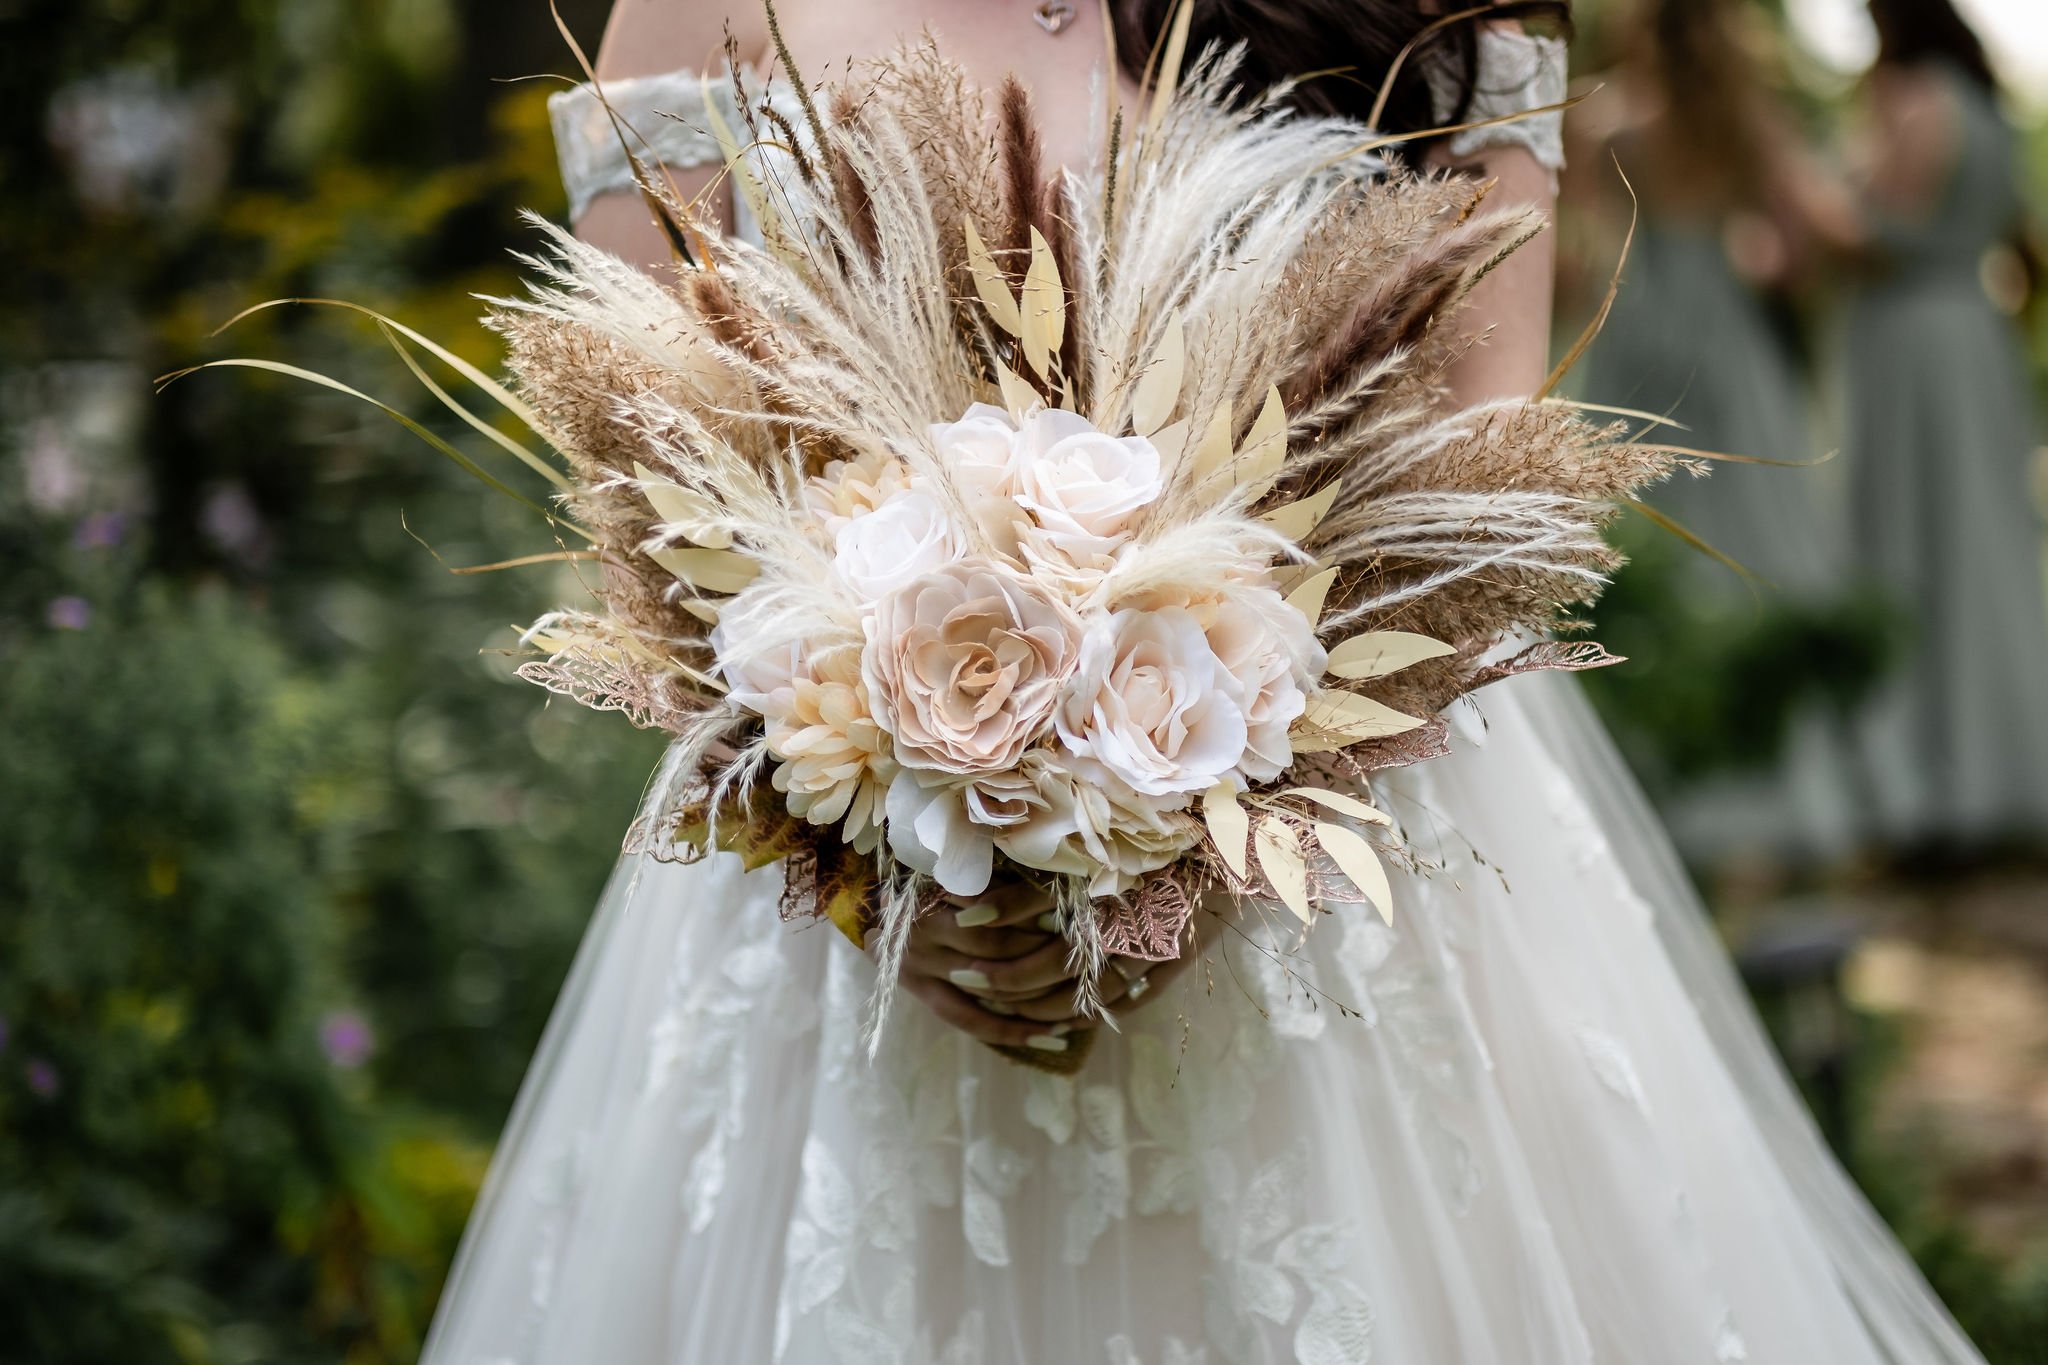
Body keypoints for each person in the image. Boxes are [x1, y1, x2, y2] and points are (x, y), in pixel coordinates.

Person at [420, 4, 1987, 1361]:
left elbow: (1474, 457)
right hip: (857, 898)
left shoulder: (1441, 10)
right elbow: (648, 464)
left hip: (1345, 885)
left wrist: (1210, 844)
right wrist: (859, 866)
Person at [1567, 0, 1866, 866]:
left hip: (1639, 331)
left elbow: (1579, 255)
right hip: (1727, 337)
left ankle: (1663, 780)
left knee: (1652, 540)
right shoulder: (1745, 120)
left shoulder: (1609, 122)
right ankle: (1782, 790)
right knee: (1757, 541)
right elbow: (1811, 235)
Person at [1842, 0, 2048, 850]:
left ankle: (1934, 791)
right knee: (1989, 548)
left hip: (1914, 344)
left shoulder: (1918, 104)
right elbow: (2026, 249)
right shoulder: (1991, 111)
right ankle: (2006, 771)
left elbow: (1879, 234)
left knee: (1917, 550)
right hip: (1980, 336)